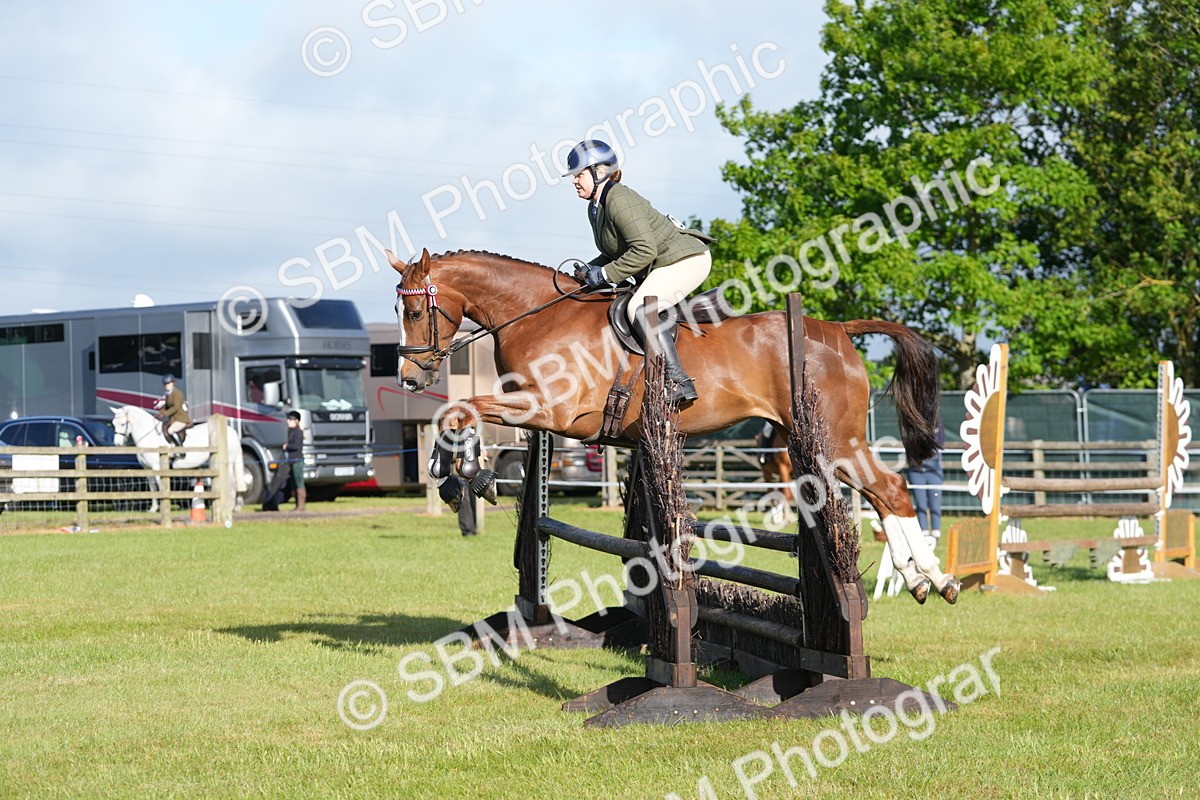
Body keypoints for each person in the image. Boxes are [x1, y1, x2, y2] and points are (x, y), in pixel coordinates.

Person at [565, 139, 713, 405]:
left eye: (579, 174)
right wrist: (590, 269)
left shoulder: (618, 198)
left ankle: (679, 382)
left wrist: (606, 275)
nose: (574, 181)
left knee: (639, 308)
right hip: (661, 261)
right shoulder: (595, 207)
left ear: (599, 172)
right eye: (574, 176)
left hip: (686, 259)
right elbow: (615, 252)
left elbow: (644, 251)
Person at [261, 410, 306, 512]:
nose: (288, 421)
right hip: (289, 460)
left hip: (296, 460)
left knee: (298, 482)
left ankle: (301, 505)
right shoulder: (290, 431)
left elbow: (297, 446)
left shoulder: (298, 432)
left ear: (297, 421)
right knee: (291, 483)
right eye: (288, 419)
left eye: (291, 419)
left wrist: (287, 446)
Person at [907, 421, 945, 540]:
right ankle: (923, 533)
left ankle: (935, 533)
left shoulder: (937, 425)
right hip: (916, 471)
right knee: (920, 504)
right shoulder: (911, 426)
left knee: (935, 503)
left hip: (933, 471)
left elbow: (939, 443)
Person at [156, 374, 192, 446]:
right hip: (173, 419)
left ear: (173, 383)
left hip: (181, 419)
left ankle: (179, 447)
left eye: (169, 383)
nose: (167, 386)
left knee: (170, 431)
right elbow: (166, 406)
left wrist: (165, 414)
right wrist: (160, 413)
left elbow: (176, 407)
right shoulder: (168, 394)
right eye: (165, 384)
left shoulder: (177, 393)